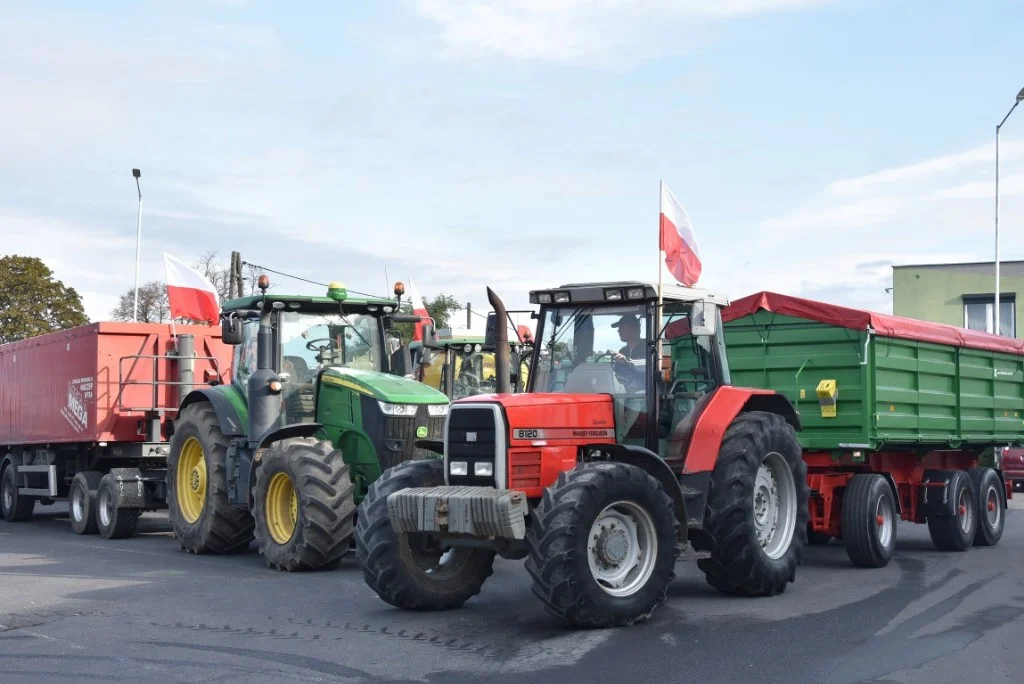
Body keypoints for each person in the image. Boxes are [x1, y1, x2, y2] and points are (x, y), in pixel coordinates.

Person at [610, 314, 645, 390]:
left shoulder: (647, 347)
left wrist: (626, 361)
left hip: (644, 394)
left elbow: (647, 366)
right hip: (625, 393)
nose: (618, 331)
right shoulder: (623, 351)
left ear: (634, 329)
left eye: (622, 328)